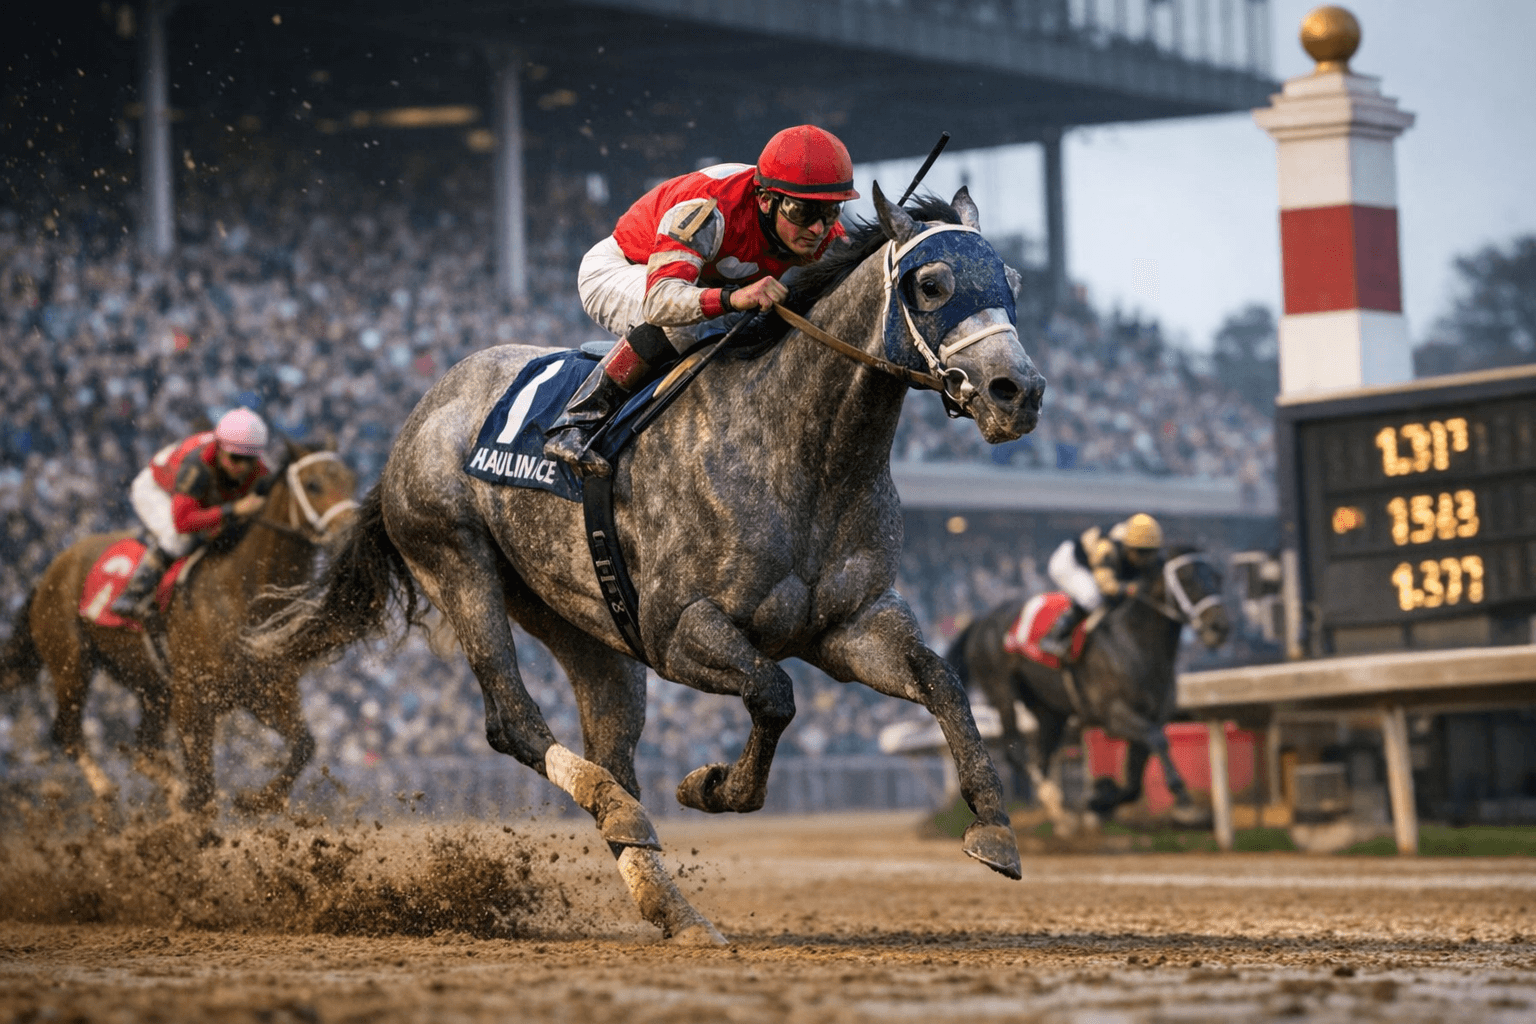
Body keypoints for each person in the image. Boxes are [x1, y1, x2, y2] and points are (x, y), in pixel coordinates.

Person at [544, 124, 859, 477]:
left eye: (829, 212)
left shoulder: (819, 230)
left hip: (694, 280)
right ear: (766, 199)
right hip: (623, 269)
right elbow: (661, 301)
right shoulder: (710, 209)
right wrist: (733, 297)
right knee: (692, 322)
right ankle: (576, 422)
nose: (818, 229)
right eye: (802, 213)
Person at [108, 407, 271, 618]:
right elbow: (183, 521)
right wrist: (234, 510)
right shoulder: (198, 464)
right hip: (157, 490)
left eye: (249, 460)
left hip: (195, 496)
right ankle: (135, 593)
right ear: (220, 448)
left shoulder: (258, 468)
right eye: (235, 458)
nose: (242, 466)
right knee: (179, 539)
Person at [1037, 513, 1165, 661]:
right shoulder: (1107, 548)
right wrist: (1131, 588)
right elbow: (1107, 586)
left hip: (1095, 566)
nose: (1146, 558)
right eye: (1141, 552)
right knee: (1092, 597)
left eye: (1151, 552)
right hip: (1069, 563)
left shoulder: (1141, 546)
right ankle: (1055, 636)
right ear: (1128, 548)